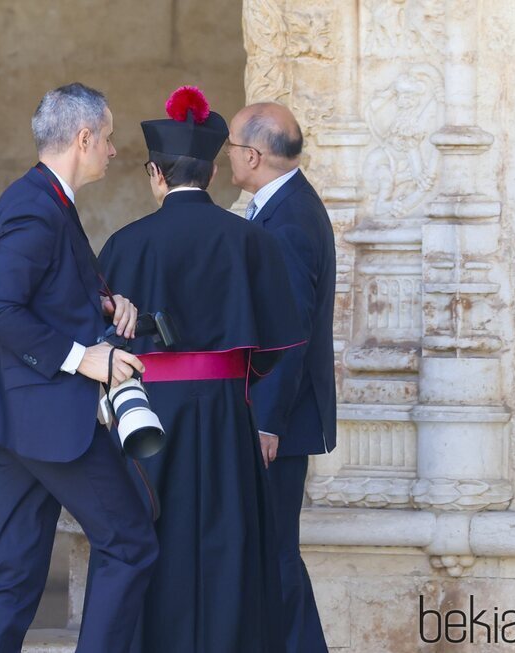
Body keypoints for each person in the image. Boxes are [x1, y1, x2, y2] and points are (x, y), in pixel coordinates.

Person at [98, 86, 305, 653]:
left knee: (149, 537)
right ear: (212, 172)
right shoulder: (251, 240)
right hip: (224, 416)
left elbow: (100, 336)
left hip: (148, 417)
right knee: (225, 539)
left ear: (155, 174)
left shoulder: (124, 242)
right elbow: (275, 344)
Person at [0, 83, 159, 653]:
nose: (114, 151)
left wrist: (100, 302)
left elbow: (39, 292)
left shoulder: (41, 200)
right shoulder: (36, 208)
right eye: (110, 138)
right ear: (83, 137)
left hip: (20, 415)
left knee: (16, 571)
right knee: (129, 543)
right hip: (48, 414)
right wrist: (82, 357)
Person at [228, 101, 337, 652]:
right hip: (271, 414)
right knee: (266, 549)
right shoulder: (274, 205)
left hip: (279, 420)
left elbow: (289, 334)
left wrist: (266, 420)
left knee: (274, 552)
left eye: (230, 147)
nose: (226, 158)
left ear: (253, 154)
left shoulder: (289, 219)